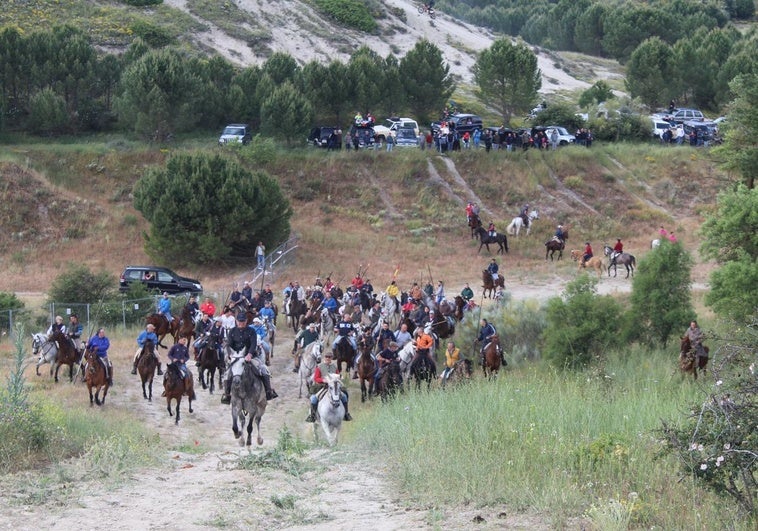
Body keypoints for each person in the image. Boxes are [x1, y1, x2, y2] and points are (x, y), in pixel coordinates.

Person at [220, 312, 277, 404]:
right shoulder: (232, 331)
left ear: (246, 321)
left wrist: (249, 354)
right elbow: (229, 344)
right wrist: (230, 354)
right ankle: (227, 395)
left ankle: (268, 391)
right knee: (227, 374)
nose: (241, 323)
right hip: (236, 357)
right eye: (239, 321)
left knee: (264, 370)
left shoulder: (251, 331)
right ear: (236, 321)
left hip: (250, 356)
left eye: (243, 321)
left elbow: (253, 344)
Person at [305, 351, 352, 422]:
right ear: (324, 357)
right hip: (322, 386)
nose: (328, 358)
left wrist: (340, 377)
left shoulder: (334, 367)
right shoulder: (319, 367)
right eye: (326, 357)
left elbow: (337, 375)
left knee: (344, 396)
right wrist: (324, 380)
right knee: (314, 399)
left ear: (331, 358)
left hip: (333, 386)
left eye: (329, 357)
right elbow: (316, 378)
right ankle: (312, 416)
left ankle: (346, 414)